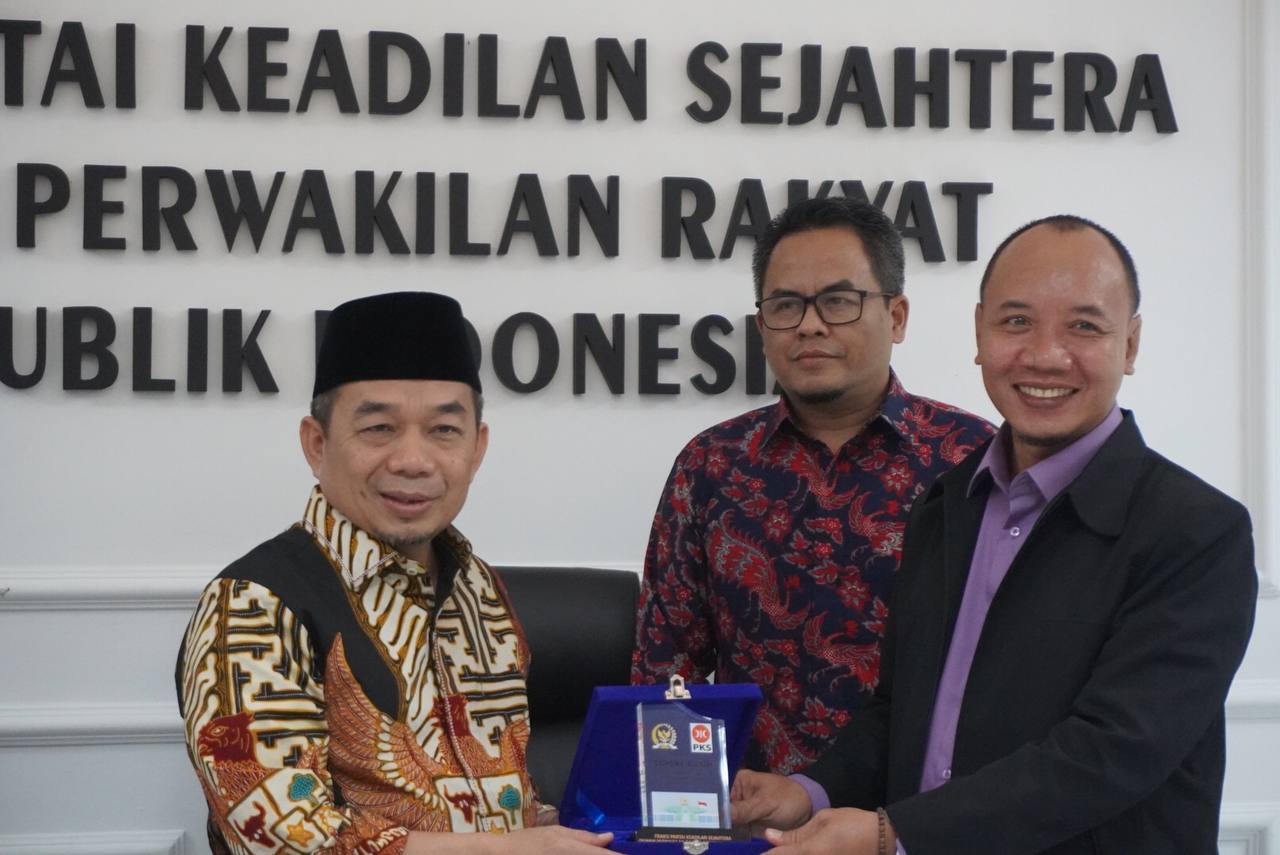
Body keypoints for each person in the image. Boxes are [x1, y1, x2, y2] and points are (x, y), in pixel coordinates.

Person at [730, 216, 1259, 854]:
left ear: (1130, 344)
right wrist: (809, 792)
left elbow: (1111, 752)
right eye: (1016, 321)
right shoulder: (946, 504)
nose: (1045, 355)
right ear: (980, 332)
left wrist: (895, 833)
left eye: (1084, 326)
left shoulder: (1198, 532)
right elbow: (901, 713)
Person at [175, 292, 612, 855]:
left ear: (477, 448)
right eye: (379, 428)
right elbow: (282, 838)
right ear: (316, 443)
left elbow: (508, 807)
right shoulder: (253, 603)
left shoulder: (479, 590)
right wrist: (509, 850)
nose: (413, 461)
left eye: (444, 430)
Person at [631, 197, 994, 774]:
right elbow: (666, 669)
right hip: (752, 807)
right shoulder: (711, 466)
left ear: (897, 316)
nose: (809, 324)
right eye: (785, 305)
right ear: (762, 326)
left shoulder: (973, 458)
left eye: (838, 301)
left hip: (922, 809)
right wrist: (684, 805)